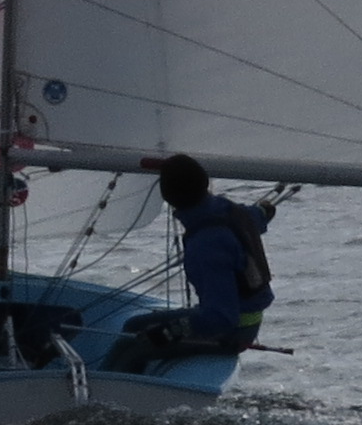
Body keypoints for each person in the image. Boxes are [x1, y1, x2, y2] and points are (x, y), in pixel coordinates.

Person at [108, 154, 273, 370]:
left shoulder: (207, 245)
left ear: (168, 198)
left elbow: (221, 318)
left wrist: (170, 331)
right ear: (204, 183)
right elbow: (259, 216)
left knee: (130, 350)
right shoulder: (231, 211)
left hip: (233, 330)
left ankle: (105, 389)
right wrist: (266, 209)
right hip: (240, 318)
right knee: (133, 325)